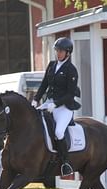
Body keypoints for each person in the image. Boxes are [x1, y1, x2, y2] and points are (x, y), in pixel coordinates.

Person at [31, 37, 80, 177]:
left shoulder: (71, 70)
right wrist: (36, 99)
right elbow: (44, 84)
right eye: (57, 50)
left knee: (59, 132)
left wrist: (57, 104)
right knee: (33, 122)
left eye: (61, 51)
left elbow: (70, 94)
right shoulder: (52, 65)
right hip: (49, 103)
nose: (58, 53)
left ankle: (65, 163)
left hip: (64, 107)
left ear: (68, 53)